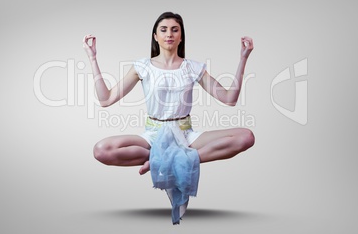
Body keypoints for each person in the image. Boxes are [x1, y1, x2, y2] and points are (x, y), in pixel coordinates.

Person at [83, 12, 255, 220]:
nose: (169, 34)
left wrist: (243, 58)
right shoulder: (142, 67)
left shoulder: (192, 67)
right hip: (153, 135)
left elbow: (229, 98)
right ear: (155, 36)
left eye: (175, 29)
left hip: (185, 134)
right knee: (101, 150)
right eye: (163, 30)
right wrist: (92, 58)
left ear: (181, 36)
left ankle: (179, 159)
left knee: (246, 137)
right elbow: (106, 99)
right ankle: (165, 158)